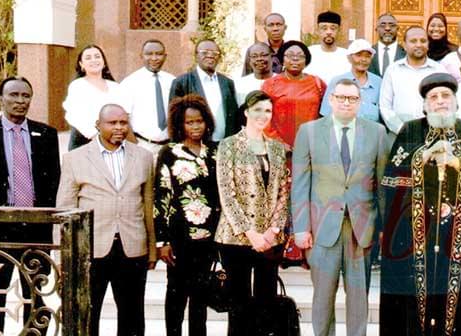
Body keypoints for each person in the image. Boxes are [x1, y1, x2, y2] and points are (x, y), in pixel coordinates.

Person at [379, 73, 461, 335]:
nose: (440, 101)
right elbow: (392, 180)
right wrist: (423, 156)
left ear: (456, 101)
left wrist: (458, 164)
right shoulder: (409, 130)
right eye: (433, 97)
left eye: (446, 96)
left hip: (460, 233)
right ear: (424, 105)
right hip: (412, 235)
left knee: (459, 302)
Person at [292, 78, 388, 336]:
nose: (347, 102)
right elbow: (300, 184)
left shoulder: (377, 133)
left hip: (362, 228)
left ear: (360, 102)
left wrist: (382, 227)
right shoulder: (309, 131)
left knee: (359, 298)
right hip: (321, 228)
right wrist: (301, 228)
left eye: (353, 98)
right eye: (341, 97)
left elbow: (381, 185)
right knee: (322, 297)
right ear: (331, 99)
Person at [57, 104, 157, 336]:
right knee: (88, 317)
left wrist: (151, 249)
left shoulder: (143, 157)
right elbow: (65, 209)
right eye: (112, 123)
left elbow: (148, 205)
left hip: (132, 248)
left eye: (123, 123)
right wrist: (63, 256)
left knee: (132, 318)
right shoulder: (75, 158)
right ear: (98, 126)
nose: (119, 128)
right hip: (90, 249)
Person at [214, 91, 291, 336]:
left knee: (265, 301)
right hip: (237, 237)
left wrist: (272, 230)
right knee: (239, 304)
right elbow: (227, 193)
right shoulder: (228, 146)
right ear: (246, 112)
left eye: (267, 110)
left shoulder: (278, 149)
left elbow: (283, 193)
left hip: (270, 238)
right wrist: (251, 233)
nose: (263, 115)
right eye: (257, 109)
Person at [0, 77, 60, 335]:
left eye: (26, 96)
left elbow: (54, 183)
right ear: (1, 98)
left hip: (36, 228)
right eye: (14, 95)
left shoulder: (46, 134)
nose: (20, 101)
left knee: (37, 298)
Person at [153, 95, 219, 336]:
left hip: (210, 238)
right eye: (189, 122)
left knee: (201, 298)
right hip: (179, 239)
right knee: (176, 295)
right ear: (180, 124)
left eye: (199, 121)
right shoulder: (169, 152)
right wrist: (162, 242)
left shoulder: (215, 151)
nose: (195, 126)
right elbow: (161, 197)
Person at [379, 26, 446, 134]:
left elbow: (446, 103)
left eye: (423, 41)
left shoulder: (439, 70)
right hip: (399, 135)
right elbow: (385, 106)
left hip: (433, 135)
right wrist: (401, 129)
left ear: (428, 45)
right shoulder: (393, 70)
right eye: (413, 41)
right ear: (404, 45)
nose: (419, 45)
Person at [169, 39, 240, 141]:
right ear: (196, 56)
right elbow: (174, 121)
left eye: (215, 53)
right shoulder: (182, 82)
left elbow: (234, 117)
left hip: (224, 145)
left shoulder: (227, 83)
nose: (210, 55)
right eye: (205, 52)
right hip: (195, 145)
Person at [261, 40, 326, 147]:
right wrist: (278, 143)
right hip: (278, 147)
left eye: (300, 56)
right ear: (282, 59)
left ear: (306, 60)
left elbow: (327, 116)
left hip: (312, 147)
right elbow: (262, 116)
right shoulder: (270, 84)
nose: (295, 59)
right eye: (290, 55)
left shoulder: (317, 83)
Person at [63, 44, 128, 150]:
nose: (93, 60)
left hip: (113, 140)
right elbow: (74, 116)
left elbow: (124, 114)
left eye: (97, 56)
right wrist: (98, 139)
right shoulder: (77, 86)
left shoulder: (115, 87)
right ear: (81, 65)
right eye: (88, 58)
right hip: (84, 141)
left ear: (104, 62)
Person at [120, 39, 175, 153]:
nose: (154, 58)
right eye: (149, 54)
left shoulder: (172, 81)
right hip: (142, 145)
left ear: (165, 56)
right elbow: (123, 118)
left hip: (169, 146)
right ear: (141, 56)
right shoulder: (130, 83)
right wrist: (135, 146)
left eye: (159, 54)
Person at [320, 39, 383, 122]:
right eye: (359, 55)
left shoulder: (378, 82)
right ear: (349, 58)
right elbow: (326, 114)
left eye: (367, 56)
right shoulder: (337, 82)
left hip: (371, 133)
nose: (363, 59)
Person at [305, 10, 350, 84]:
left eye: (333, 28)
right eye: (324, 28)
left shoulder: (347, 56)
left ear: (339, 30)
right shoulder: (308, 52)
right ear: (318, 30)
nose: (329, 32)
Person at [369, 12, 406, 77]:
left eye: (392, 25)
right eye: (383, 25)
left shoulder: (406, 54)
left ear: (397, 29)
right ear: (376, 29)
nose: (387, 28)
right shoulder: (368, 53)